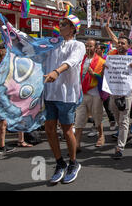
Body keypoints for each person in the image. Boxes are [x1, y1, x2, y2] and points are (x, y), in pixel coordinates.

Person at [43, 15, 86, 184]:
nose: (60, 27)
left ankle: (73, 163)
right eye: (60, 24)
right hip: (49, 92)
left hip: (66, 94)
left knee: (67, 129)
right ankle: (59, 163)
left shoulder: (78, 45)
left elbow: (72, 61)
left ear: (73, 29)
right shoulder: (53, 44)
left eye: (64, 25)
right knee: (49, 129)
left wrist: (57, 71)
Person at [107, 36, 132, 159]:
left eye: (123, 43)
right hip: (113, 93)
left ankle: (119, 147)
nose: (120, 45)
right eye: (118, 43)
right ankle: (126, 135)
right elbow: (105, 75)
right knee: (117, 117)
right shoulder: (111, 58)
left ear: (128, 46)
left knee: (123, 119)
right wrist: (104, 69)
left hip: (127, 93)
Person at [75, 39, 106, 152]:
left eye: (90, 46)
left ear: (96, 48)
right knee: (79, 118)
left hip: (95, 94)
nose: (88, 48)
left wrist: (94, 74)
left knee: (97, 117)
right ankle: (76, 143)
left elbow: (104, 79)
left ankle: (101, 135)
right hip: (82, 94)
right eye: (86, 46)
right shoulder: (80, 60)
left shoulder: (101, 62)